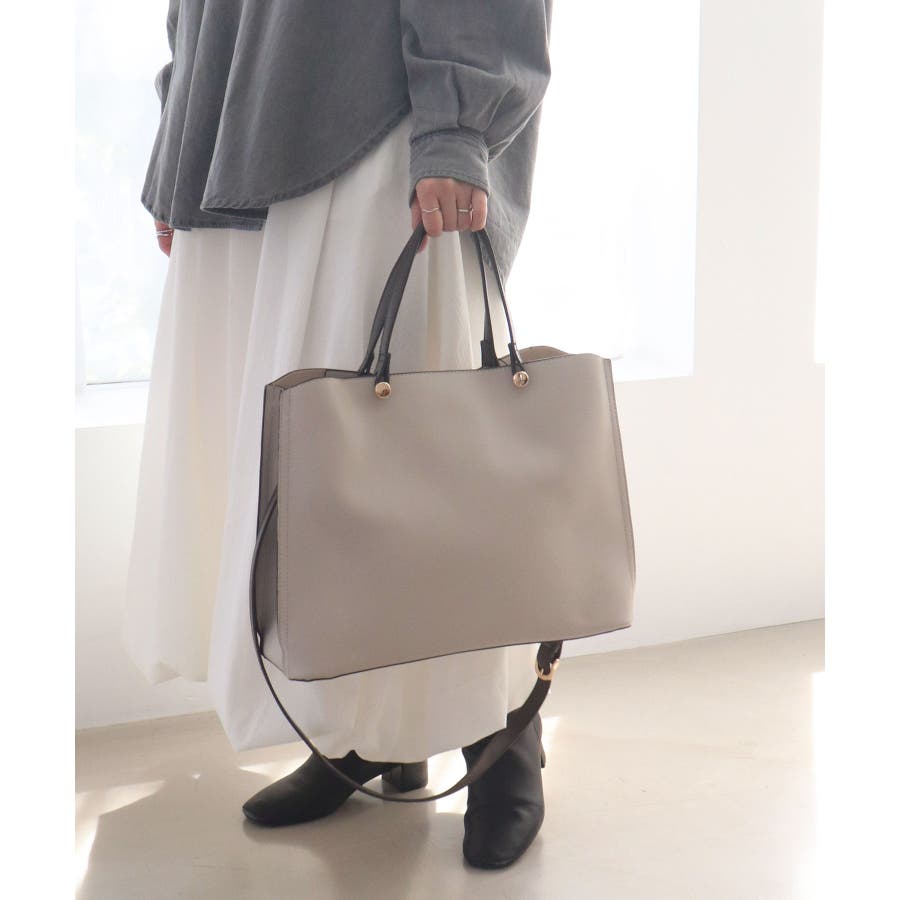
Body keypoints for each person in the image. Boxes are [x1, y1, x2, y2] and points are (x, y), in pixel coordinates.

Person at [125, 0, 553, 870]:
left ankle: (502, 735)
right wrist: (185, 130)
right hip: (241, 111)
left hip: (375, 118)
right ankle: (364, 730)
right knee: (315, 481)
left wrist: (457, 128)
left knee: (428, 459)